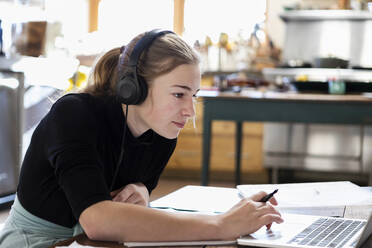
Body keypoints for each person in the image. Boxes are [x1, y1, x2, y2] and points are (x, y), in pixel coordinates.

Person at [0, 29, 283, 248]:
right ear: (133, 87)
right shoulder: (74, 114)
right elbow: (97, 219)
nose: (189, 111)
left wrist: (143, 191)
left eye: (193, 96)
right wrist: (222, 224)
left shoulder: (162, 129)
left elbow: (138, 193)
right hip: (38, 242)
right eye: (179, 94)